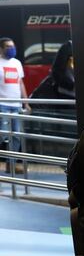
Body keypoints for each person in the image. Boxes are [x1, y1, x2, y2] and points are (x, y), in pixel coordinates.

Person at [0, 37, 31, 173]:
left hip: (16, 105)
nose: (11, 48)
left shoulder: (17, 63)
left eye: (12, 46)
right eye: (7, 46)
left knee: (17, 136)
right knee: (3, 137)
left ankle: (10, 164)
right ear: (0, 48)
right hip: (2, 105)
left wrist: (26, 102)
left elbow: (20, 83)